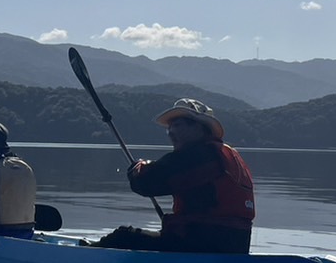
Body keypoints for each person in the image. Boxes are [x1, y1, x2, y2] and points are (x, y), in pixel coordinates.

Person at [96, 98, 254, 253]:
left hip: (202, 245)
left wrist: (138, 168)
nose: (171, 133)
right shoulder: (228, 155)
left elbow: (147, 183)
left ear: (199, 128)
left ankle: (86, 255)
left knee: (124, 237)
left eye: (177, 126)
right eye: (169, 127)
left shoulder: (198, 155)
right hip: (235, 246)